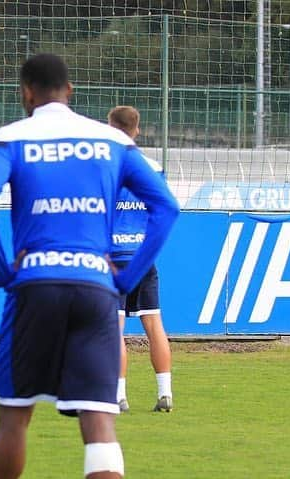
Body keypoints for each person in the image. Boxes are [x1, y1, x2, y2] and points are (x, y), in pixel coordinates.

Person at [0, 54, 179, 479]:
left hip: (34, 285)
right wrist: (126, 275)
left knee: (14, 415)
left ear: (26, 91)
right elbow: (166, 206)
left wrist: (0, 271)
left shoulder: (11, 137)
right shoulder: (113, 141)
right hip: (97, 288)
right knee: (99, 419)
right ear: (69, 90)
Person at [107, 106, 174, 413]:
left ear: (110, 126)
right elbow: (160, 208)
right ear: (137, 129)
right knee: (154, 324)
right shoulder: (153, 166)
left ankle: (119, 395)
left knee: (114, 327)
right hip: (143, 255)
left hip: (114, 257)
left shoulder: (104, 164)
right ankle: (165, 393)